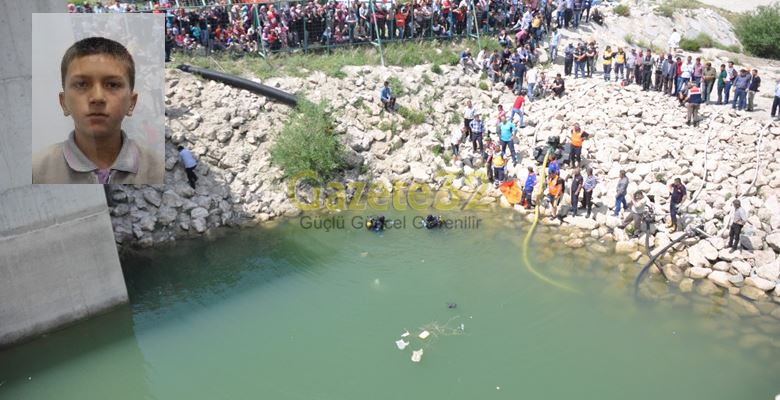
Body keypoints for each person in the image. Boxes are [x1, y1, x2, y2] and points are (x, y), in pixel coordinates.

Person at [33, 36, 163, 184]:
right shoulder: (37, 171)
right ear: (64, 102)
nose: (97, 97)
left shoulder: (157, 169)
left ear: (131, 103)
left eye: (112, 85)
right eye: (81, 84)